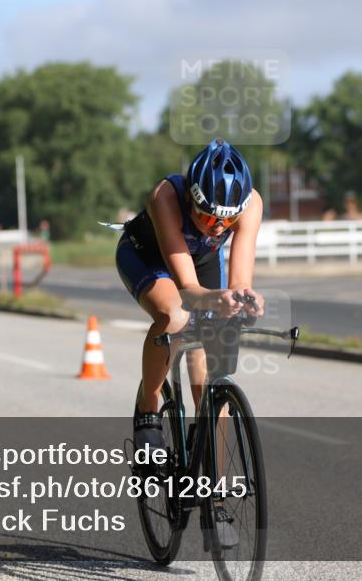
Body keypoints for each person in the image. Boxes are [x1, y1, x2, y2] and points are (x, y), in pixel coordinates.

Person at [116, 138, 264, 545]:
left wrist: (244, 298)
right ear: (190, 198)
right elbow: (187, 289)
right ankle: (148, 410)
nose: (216, 226)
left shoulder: (251, 204)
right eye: (207, 215)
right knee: (176, 316)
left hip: (202, 264)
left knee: (208, 380)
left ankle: (215, 500)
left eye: (226, 220)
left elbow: (238, 280)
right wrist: (214, 300)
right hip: (149, 257)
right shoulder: (165, 196)